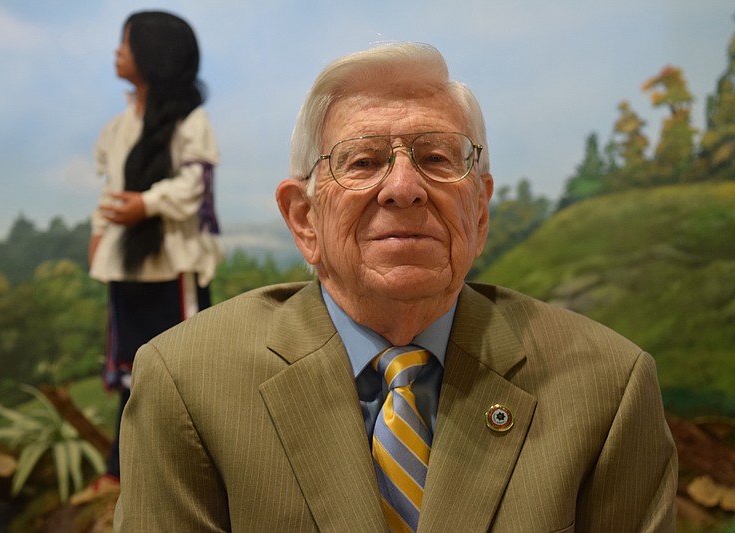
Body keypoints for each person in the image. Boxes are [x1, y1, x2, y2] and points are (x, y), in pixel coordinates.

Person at [114, 43, 677, 531]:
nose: (404, 188)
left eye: (435, 158)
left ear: (479, 212)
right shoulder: (187, 382)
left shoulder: (607, 386)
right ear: (304, 219)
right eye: (363, 161)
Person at [75, 11, 221, 504]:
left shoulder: (191, 123)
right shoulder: (118, 128)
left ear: (154, 55)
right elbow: (111, 194)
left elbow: (194, 188)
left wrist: (148, 204)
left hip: (172, 268)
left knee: (183, 372)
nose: (118, 52)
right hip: (127, 270)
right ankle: (122, 472)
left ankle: (197, 473)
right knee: (130, 375)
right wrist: (102, 235)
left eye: (127, 43)